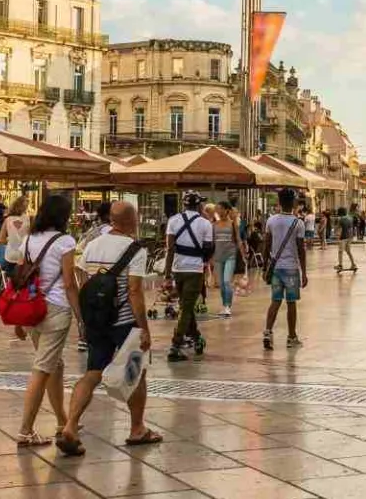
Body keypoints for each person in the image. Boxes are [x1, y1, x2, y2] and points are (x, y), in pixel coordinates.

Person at [59, 200, 160, 455]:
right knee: (136, 373)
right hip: (125, 321)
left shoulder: (92, 245)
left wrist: (85, 319)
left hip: (97, 320)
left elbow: (83, 281)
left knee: (92, 372)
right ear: (132, 221)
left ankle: (70, 426)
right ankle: (137, 429)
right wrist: (144, 328)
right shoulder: (135, 249)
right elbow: (135, 291)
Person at [7, 194, 78, 447]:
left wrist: (18, 320)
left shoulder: (28, 240)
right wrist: (80, 317)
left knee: (54, 365)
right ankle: (25, 430)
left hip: (31, 308)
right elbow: (69, 283)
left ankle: (61, 420)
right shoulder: (65, 241)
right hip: (56, 309)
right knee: (42, 368)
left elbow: (20, 279)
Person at [164, 191, 214, 363]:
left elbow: (170, 249)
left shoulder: (173, 220)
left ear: (184, 205)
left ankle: (196, 336)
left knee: (186, 305)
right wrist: (204, 263)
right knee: (186, 307)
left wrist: (167, 275)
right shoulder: (205, 224)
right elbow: (208, 249)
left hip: (177, 269)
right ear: (199, 205)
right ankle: (175, 345)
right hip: (195, 270)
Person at [263, 188, 308, 350]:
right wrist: (304, 272)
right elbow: (301, 249)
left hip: (276, 268)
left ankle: (268, 332)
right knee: (291, 303)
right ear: (294, 203)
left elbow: (266, 245)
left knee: (275, 301)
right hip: (291, 269)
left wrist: (265, 267)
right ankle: (291, 337)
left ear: (279, 202)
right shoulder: (298, 223)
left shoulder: (271, 221)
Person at [211, 202, 240, 318]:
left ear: (226, 210)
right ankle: (224, 305)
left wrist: (243, 254)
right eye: (217, 209)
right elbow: (212, 242)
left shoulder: (233, 224)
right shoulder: (214, 225)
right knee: (221, 284)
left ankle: (228, 306)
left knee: (227, 281)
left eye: (220, 209)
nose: (218, 211)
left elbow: (238, 239)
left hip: (230, 256)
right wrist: (210, 257)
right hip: (217, 257)